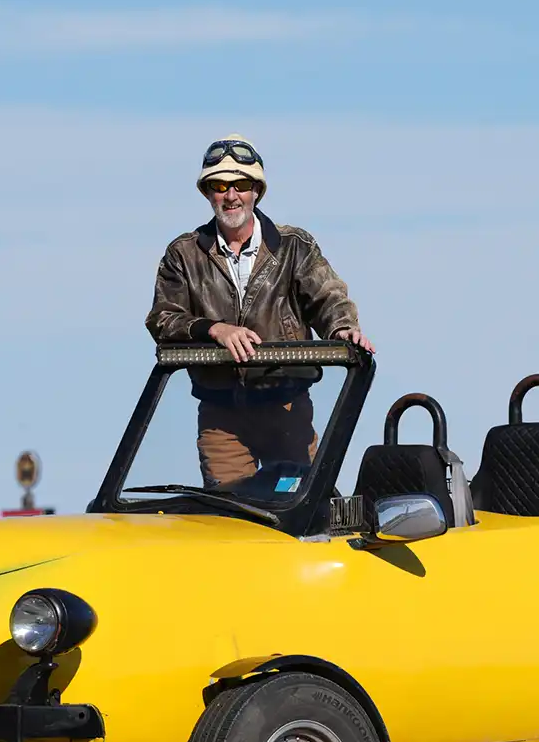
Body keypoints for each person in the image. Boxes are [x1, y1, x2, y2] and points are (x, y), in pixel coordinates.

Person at [146, 134, 374, 488]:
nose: (231, 195)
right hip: (221, 414)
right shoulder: (183, 255)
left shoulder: (295, 247)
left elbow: (328, 298)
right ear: (208, 193)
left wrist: (342, 329)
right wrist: (214, 329)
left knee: (302, 516)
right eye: (220, 185)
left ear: (257, 191)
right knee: (230, 520)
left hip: (287, 408)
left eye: (241, 184)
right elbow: (163, 319)